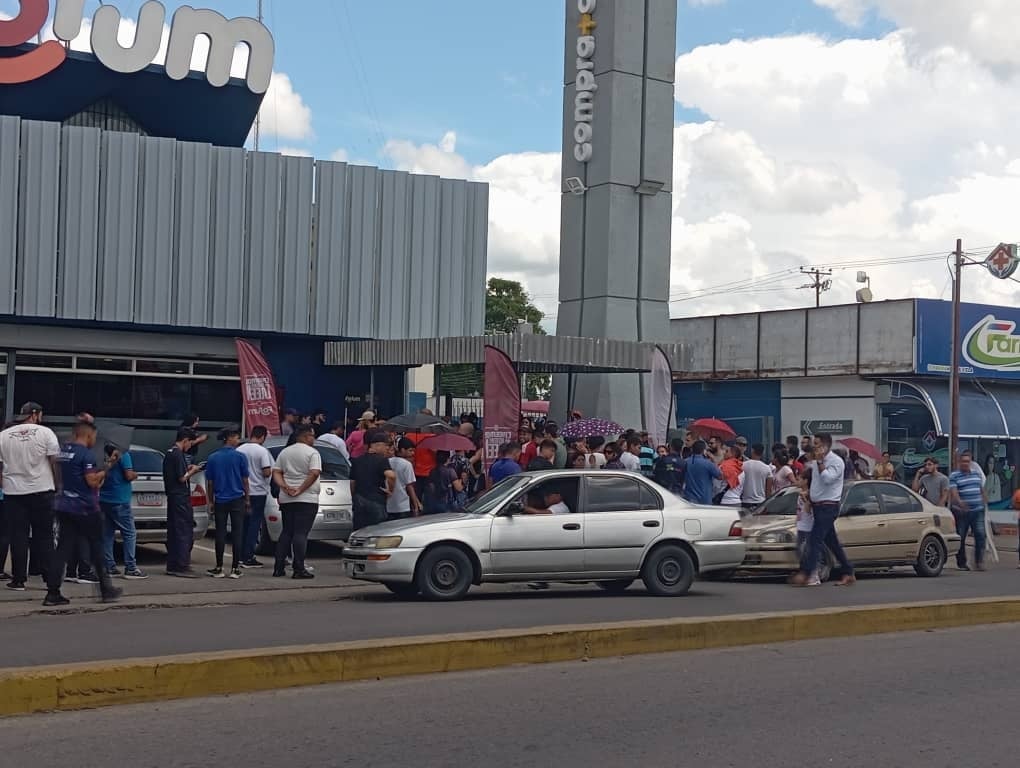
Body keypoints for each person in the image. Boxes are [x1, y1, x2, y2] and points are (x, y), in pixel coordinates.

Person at [44, 421, 123, 606]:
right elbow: (92, 482)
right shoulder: (85, 455)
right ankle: (106, 590)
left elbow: (58, 476)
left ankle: (52, 592)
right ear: (88, 435)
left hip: (64, 505)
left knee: (62, 549)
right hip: (85, 508)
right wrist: (108, 466)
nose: (94, 440)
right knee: (97, 548)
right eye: (94, 436)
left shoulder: (63, 452)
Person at [1, 402, 61, 591]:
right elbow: (54, 462)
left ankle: (18, 580)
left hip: (14, 493)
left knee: (18, 536)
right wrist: (57, 486)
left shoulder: (3, 436)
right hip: (42, 491)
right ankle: (51, 583)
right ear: (35, 414)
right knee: (44, 537)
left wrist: (4, 484)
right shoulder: (46, 433)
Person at [791, 433, 855, 587]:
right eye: (814, 443)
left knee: (815, 539)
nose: (815, 446)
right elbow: (815, 482)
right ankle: (848, 571)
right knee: (832, 542)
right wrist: (809, 495)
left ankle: (807, 573)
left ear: (826, 446)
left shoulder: (836, 462)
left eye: (817, 444)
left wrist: (819, 461)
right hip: (817, 506)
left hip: (828, 506)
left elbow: (827, 479)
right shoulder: (815, 462)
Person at [272, 424, 322, 579]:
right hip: (307, 498)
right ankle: (299, 568)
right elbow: (314, 473)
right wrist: (300, 489)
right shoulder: (313, 453)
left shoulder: (285, 452)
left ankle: (278, 567)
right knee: (301, 533)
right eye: (312, 435)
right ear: (305, 436)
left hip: (286, 498)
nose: (314, 438)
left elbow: (277, 472)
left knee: (287, 532)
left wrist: (284, 486)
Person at [204, 427, 250, 579]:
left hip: (220, 499)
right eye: (236, 437)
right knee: (237, 532)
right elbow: (245, 480)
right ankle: (235, 568)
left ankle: (219, 566)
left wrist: (210, 500)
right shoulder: (240, 457)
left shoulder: (213, 457)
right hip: (237, 498)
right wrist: (247, 498)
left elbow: (210, 482)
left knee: (220, 533)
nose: (238, 440)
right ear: (229, 438)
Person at [100, 440, 145, 579]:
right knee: (129, 533)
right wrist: (136, 474)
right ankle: (130, 567)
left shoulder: (102, 457)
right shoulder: (123, 455)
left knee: (107, 534)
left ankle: (109, 566)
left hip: (104, 499)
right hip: (120, 499)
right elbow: (128, 475)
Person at [163, 427, 203, 578]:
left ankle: (173, 564)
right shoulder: (178, 454)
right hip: (180, 497)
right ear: (185, 440)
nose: (190, 447)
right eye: (190, 443)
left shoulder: (169, 453)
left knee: (174, 530)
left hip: (173, 496)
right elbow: (181, 477)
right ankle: (181, 565)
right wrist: (193, 471)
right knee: (183, 530)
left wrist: (188, 469)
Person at [238, 425, 274, 568]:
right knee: (254, 525)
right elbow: (266, 472)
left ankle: (240, 555)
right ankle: (248, 556)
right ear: (263, 436)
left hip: (242, 492)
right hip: (258, 492)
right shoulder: (262, 451)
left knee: (243, 524)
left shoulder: (240, 450)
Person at [949, 451, 988, 572]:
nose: (965, 464)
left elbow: (980, 489)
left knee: (981, 535)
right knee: (960, 537)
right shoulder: (954, 476)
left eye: (968, 461)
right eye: (963, 461)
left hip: (978, 510)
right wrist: (960, 502)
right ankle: (962, 563)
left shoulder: (976, 474)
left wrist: (984, 500)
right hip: (961, 512)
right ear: (960, 462)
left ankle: (978, 561)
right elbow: (954, 493)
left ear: (971, 462)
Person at [351, 431, 397, 529]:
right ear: (377, 445)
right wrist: (390, 490)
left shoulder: (357, 460)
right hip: (376, 500)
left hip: (359, 498)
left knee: (359, 529)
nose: (387, 448)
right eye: (386, 445)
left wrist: (354, 495)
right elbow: (391, 475)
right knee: (377, 531)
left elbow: (352, 482)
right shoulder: (381, 460)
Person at [387, 438, 420, 520]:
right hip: (402, 506)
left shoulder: (386, 462)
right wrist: (416, 505)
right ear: (402, 450)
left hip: (388, 505)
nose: (413, 453)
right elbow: (410, 487)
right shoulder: (407, 465)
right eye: (410, 450)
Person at [682, 440, 722, 506]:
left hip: (689, 498)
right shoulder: (708, 464)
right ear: (704, 451)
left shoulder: (685, 462)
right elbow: (720, 476)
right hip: (705, 499)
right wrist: (714, 461)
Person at [741, 443, 773, 509]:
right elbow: (768, 490)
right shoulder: (767, 468)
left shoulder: (743, 465)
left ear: (752, 450)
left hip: (745, 502)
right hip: (761, 502)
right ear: (762, 452)